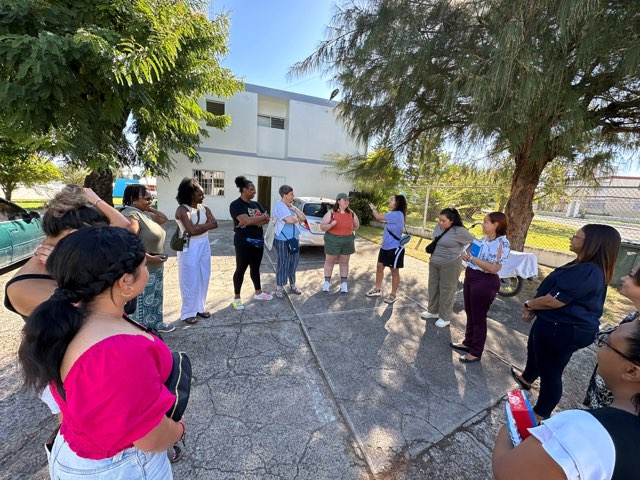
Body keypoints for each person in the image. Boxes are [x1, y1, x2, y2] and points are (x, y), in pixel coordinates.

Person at [18, 227, 185, 479]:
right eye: (142, 266)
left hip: (75, 449)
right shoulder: (116, 352)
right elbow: (149, 438)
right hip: (120, 465)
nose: (146, 271)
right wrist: (178, 430)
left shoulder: (67, 316)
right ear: (125, 281)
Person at [492, 318, 640, 480]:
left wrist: (508, 428)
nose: (600, 346)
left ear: (632, 371)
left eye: (606, 342)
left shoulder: (583, 431)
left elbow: (508, 473)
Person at [512, 224, 621, 419]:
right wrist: (535, 309)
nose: (571, 238)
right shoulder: (583, 265)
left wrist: (529, 304)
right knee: (536, 352)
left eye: (576, 236)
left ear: (592, 243)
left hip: (562, 329)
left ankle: (540, 414)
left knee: (551, 372)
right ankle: (527, 378)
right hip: (556, 323)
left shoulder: (587, 270)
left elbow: (554, 300)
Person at [5, 185, 131, 321]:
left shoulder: (72, 258)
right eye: (96, 240)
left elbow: (123, 225)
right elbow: (100, 315)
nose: (98, 247)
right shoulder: (23, 287)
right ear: (74, 235)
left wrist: (96, 200)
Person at [450, 212, 510, 363]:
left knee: (478, 317)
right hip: (471, 276)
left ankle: (476, 351)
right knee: (470, 312)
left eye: (486, 222)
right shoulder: (483, 239)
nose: (483, 224)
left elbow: (494, 268)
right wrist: (466, 255)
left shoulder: (502, 243)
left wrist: (473, 259)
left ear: (496, 224)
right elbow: (469, 253)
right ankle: (467, 342)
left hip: (485, 281)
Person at [585, 267, 640, 409]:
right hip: (601, 393)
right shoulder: (633, 316)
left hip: (615, 406)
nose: (623, 278)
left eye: (631, 276)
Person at [122, 184, 172, 333]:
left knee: (156, 298)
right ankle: (142, 330)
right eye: (146, 198)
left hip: (156, 265)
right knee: (144, 302)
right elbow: (128, 243)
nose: (150, 201)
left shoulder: (144, 213)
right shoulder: (132, 215)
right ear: (133, 199)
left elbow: (164, 218)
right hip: (144, 266)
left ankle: (156, 324)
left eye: (151, 198)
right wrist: (149, 258)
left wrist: (148, 207)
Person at [420, 208, 476, 327]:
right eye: (439, 220)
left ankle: (445, 317)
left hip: (450, 263)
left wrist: (466, 254)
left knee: (447, 289)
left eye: (443, 221)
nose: (440, 223)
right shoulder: (438, 227)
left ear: (452, 221)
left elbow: (475, 242)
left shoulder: (459, 231)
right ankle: (433, 311)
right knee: (433, 286)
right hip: (434, 262)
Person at [175, 178, 218, 325]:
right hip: (190, 247)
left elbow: (215, 223)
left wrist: (198, 227)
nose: (203, 196)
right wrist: (205, 225)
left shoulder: (204, 208)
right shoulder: (182, 210)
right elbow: (191, 231)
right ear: (191, 193)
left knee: (203, 276)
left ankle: (200, 307)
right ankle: (188, 312)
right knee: (189, 278)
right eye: (200, 194)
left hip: (204, 244)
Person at [229, 176, 272, 309]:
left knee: (255, 269)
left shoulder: (256, 204)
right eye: (252, 189)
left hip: (258, 241)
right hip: (244, 242)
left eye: (255, 189)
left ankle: (258, 293)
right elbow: (248, 221)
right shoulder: (236, 205)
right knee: (241, 269)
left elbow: (266, 219)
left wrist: (253, 219)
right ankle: (236, 298)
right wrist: (258, 218)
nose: (255, 192)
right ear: (243, 190)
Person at [366, 194, 408, 304]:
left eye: (392, 199)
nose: (390, 201)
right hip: (385, 247)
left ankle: (393, 294)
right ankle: (377, 289)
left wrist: (374, 209)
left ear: (397, 203)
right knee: (380, 267)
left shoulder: (397, 214)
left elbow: (378, 217)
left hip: (394, 248)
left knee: (394, 271)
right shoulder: (395, 214)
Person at [320, 193, 360, 293]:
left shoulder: (351, 213)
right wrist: (331, 225)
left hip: (347, 241)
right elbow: (322, 227)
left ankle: (344, 284)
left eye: (348, 200)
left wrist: (347, 231)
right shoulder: (331, 213)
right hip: (333, 240)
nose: (346, 201)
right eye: (344, 199)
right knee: (330, 262)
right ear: (338, 201)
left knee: (344, 262)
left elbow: (356, 226)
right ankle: (327, 283)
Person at [272, 185, 307, 299]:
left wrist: (294, 209)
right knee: (283, 262)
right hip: (282, 239)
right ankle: (279, 287)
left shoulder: (290, 206)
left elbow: (304, 217)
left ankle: (292, 284)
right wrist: (297, 219)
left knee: (294, 262)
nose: (293, 195)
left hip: (294, 239)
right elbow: (290, 220)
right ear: (285, 195)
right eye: (291, 194)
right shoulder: (279, 205)